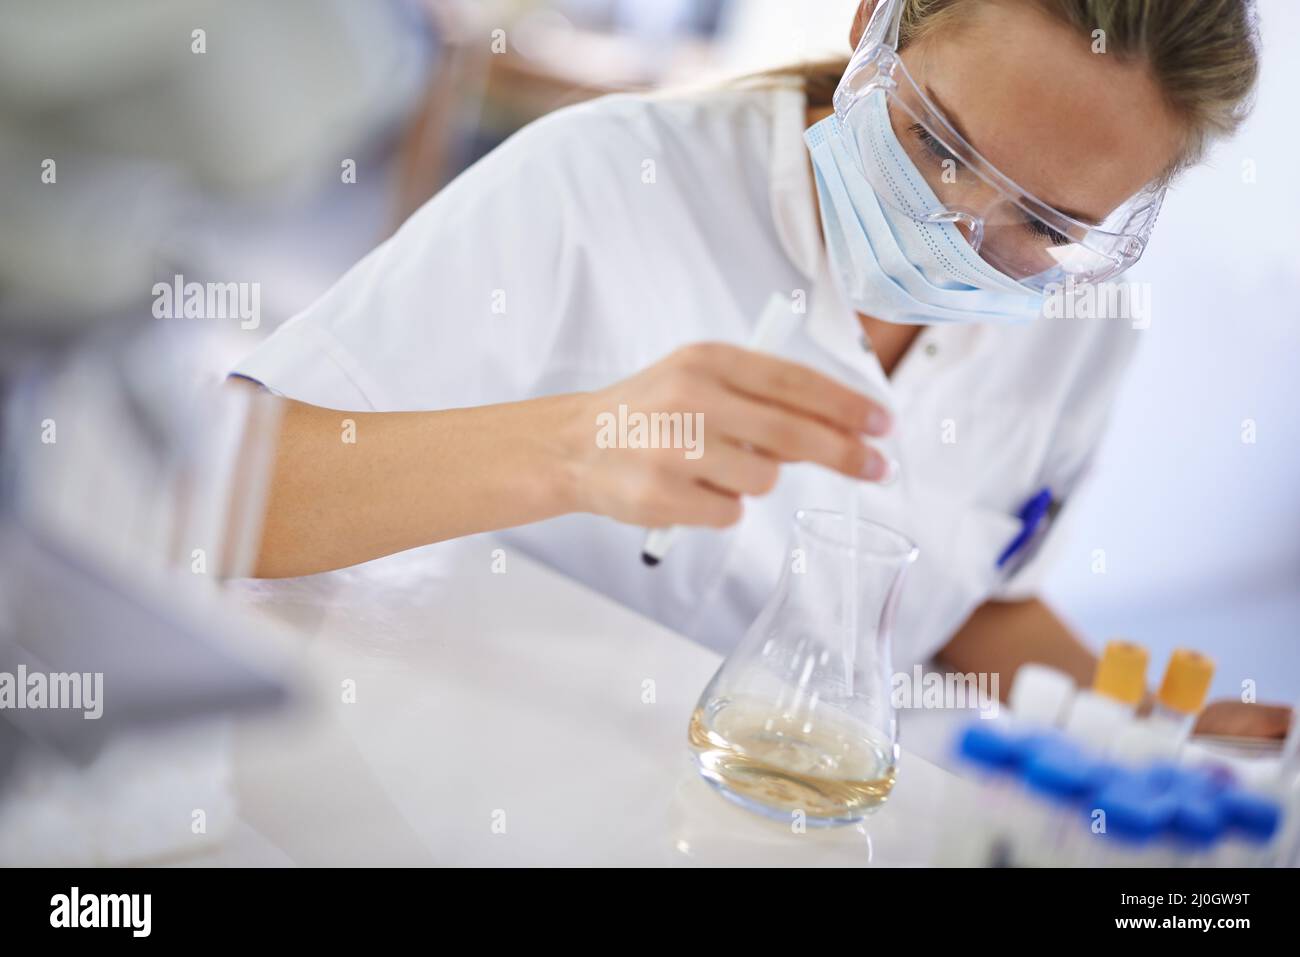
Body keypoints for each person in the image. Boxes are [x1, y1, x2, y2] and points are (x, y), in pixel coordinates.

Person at [231, 0, 1286, 736]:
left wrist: (1148, 734)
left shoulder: (1086, 326)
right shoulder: (603, 181)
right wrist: (569, 446)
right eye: (942, 148)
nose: (959, 232)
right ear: (873, 23)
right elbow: (229, 494)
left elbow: (969, 602)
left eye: (1047, 223)